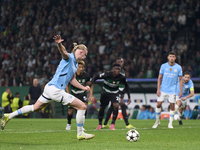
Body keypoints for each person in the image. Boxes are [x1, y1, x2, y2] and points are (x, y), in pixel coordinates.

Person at [1, 35, 95, 140]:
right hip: (55, 90)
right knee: (82, 106)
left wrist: (83, 88)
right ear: (81, 52)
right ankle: (80, 133)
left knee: (35, 108)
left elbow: (72, 80)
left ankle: (9, 116)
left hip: (49, 88)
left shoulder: (75, 65)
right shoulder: (69, 57)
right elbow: (63, 52)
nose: (85, 57)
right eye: (85, 55)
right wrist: (59, 43)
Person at [92, 63, 131, 130]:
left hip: (114, 93)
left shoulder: (122, 77)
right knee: (102, 108)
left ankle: (112, 124)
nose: (117, 70)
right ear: (113, 69)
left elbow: (126, 85)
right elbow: (96, 77)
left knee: (115, 105)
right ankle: (100, 124)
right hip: (105, 93)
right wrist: (91, 84)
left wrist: (129, 97)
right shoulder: (107, 74)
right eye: (116, 69)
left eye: (119, 69)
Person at [152, 51, 183, 129]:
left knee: (172, 106)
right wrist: (158, 89)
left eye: (173, 56)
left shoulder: (178, 67)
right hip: (163, 89)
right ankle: (157, 121)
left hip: (173, 90)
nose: (172, 58)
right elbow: (159, 78)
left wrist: (181, 90)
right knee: (158, 104)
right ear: (168, 57)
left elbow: (180, 80)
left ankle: (170, 123)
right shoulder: (163, 66)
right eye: (170, 56)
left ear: (175, 58)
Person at [102, 57, 135, 129]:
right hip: (115, 91)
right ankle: (127, 124)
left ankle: (105, 123)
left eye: (121, 62)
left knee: (112, 107)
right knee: (122, 104)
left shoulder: (122, 72)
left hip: (120, 92)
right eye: (119, 61)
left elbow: (124, 84)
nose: (120, 63)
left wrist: (125, 93)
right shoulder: (113, 72)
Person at [66, 60, 93, 130]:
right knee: (70, 111)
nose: (81, 68)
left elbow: (91, 85)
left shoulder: (86, 75)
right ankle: (69, 124)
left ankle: (81, 125)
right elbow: (66, 85)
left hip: (82, 94)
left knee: (84, 107)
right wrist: (68, 94)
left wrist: (90, 95)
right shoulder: (72, 74)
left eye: (82, 67)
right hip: (73, 94)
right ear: (76, 67)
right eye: (79, 67)